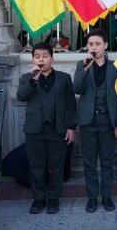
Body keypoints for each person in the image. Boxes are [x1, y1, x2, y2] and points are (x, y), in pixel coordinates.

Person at [17, 42, 76, 214]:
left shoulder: (64, 78)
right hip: (34, 129)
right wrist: (32, 80)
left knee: (55, 166)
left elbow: (71, 104)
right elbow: (21, 96)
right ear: (33, 59)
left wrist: (71, 127)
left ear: (52, 58)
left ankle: (54, 199)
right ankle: (38, 199)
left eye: (45, 56)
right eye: (37, 56)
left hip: (57, 129)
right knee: (36, 166)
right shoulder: (26, 78)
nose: (41, 59)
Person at [74, 29, 117, 213]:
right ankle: (91, 198)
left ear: (105, 45)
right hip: (88, 121)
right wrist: (85, 68)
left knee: (106, 162)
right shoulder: (82, 66)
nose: (93, 47)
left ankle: (106, 197)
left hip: (108, 122)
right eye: (90, 44)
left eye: (97, 44)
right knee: (89, 162)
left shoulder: (115, 68)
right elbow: (77, 88)